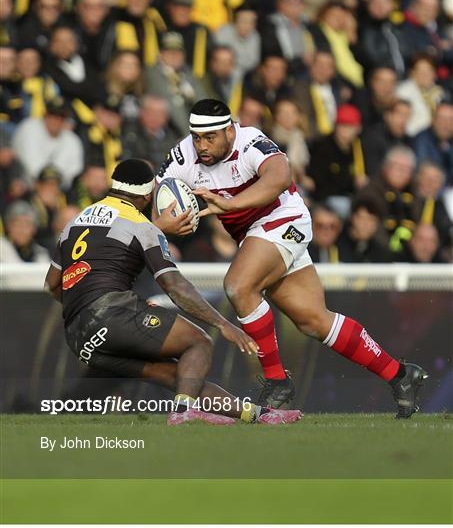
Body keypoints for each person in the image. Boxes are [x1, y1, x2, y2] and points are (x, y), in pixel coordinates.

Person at [155, 98, 428, 419]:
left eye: (210, 137)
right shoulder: (183, 154)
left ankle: (277, 381)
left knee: (238, 286)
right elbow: (159, 196)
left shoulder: (249, 141)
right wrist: (164, 224)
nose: (202, 145)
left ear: (230, 130)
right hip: (256, 237)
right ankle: (399, 375)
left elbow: (280, 176)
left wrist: (232, 205)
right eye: (197, 137)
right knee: (314, 321)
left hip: (285, 218)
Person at [44, 158, 300, 426]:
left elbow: (52, 284)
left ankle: (259, 416)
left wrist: (85, 311)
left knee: (179, 377)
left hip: (78, 337)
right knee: (199, 342)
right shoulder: (140, 226)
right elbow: (175, 285)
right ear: (146, 194)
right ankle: (183, 414)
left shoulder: (74, 222)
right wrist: (222, 323)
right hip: (113, 314)